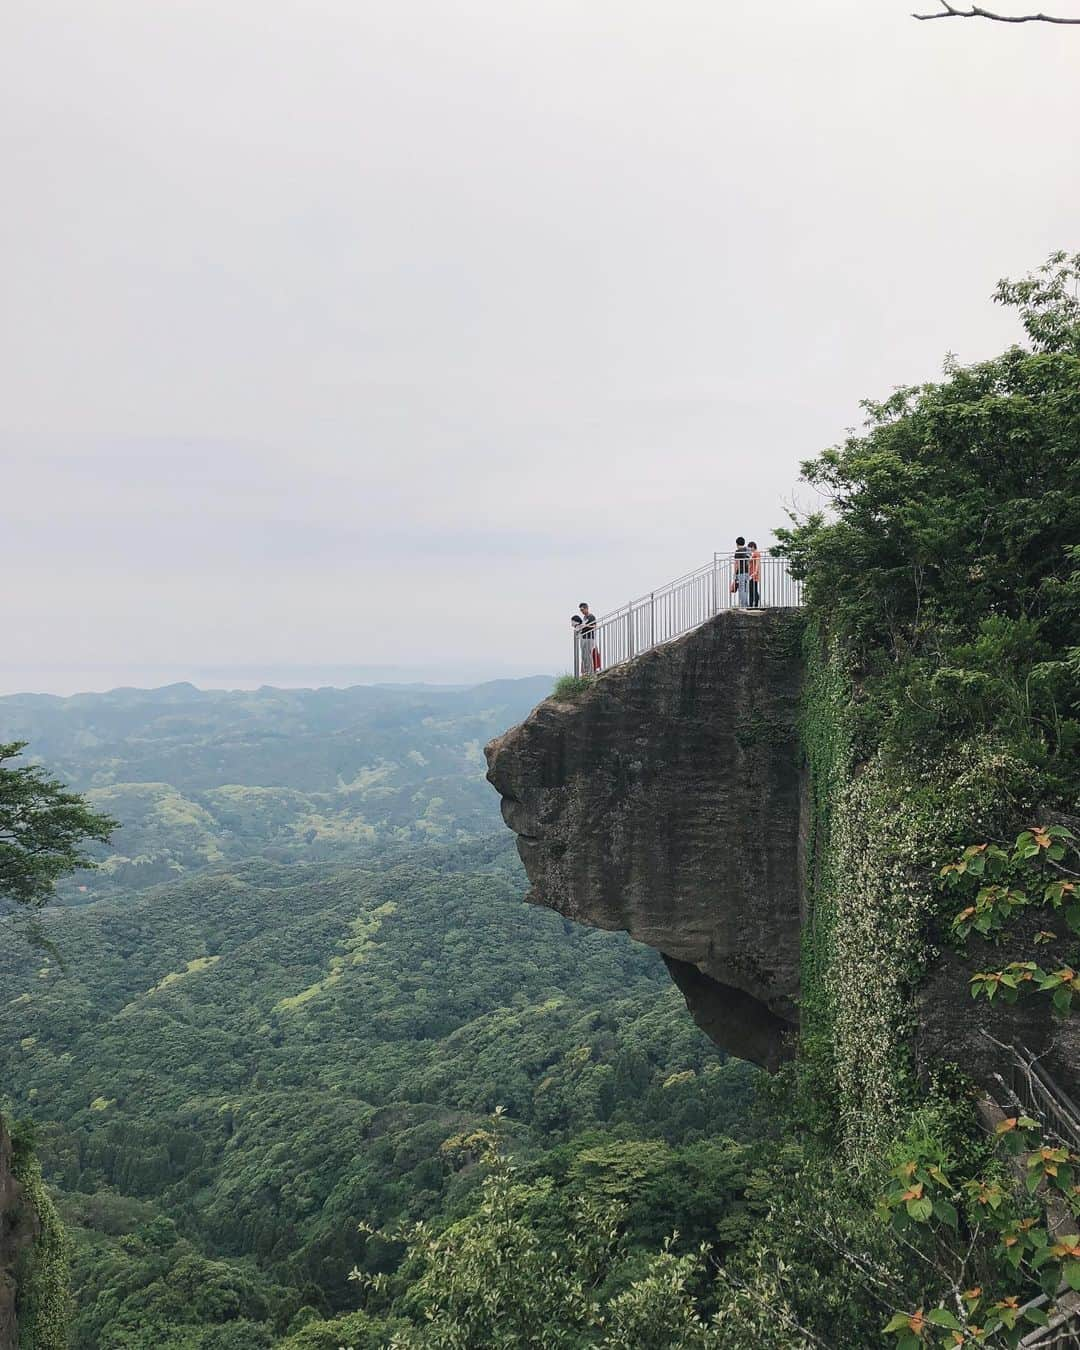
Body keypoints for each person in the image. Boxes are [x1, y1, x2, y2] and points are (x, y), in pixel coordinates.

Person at [578, 602, 599, 674]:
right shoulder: (584, 617)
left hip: (589, 638)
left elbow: (594, 626)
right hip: (584, 637)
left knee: (588, 655)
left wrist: (585, 626)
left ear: (587, 608)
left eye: (583, 610)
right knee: (584, 655)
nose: (582, 612)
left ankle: (590, 672)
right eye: (581, 610)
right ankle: (586, 671)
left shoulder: (591, 617)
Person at [732, 537, 751, 607]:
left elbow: (736, 563)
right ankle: (746, 604)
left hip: (740, 572)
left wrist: (734, 574)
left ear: (737, 543)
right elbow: (749, 561)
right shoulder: (747, 551)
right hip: (747, 572)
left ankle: (743, 605)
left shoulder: (738, 551)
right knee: (745, 589)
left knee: (741, 589)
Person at [748, 541, 762, 608]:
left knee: (753, 590)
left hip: (753, 574)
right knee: (752, 589)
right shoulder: (753, 554)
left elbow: (757, 563)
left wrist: (755, 572)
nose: (750, 549)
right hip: (751, 574)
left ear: (753, 547)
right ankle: (753, 604)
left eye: (750, 548)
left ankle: (754, 604)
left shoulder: (756, 553)